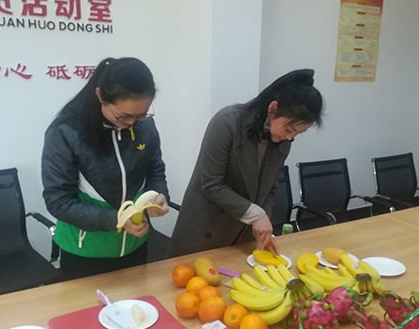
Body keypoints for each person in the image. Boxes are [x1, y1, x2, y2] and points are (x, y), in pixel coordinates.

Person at [167, 69, 323, 257]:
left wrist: (263, 223)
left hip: (242, 233)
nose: (290, 137)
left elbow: (271, 188)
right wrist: (256, 215)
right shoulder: (227, 122)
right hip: (204, 226)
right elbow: (212, 184)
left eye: (298, 133)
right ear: (272, 109)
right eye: (289, 129)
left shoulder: (283, 140)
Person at [42, 57, 169, 281]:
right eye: (124, 116)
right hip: (84, 251)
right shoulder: (67, 133)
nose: (132, 122)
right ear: (100, 95)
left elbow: (155, 171)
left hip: (135, 245)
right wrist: (116, 219)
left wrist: (159, 196)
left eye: (141, 114)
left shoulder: (144, 127)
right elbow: (58, 201)